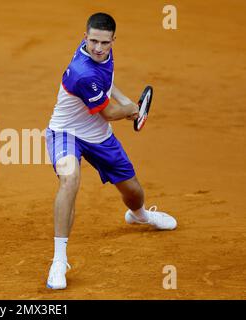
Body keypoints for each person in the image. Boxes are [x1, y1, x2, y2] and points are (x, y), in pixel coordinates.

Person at [45, 12, 177, 290]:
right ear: (85, 37)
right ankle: (59, 260)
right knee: (70, 178)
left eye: (104, 43)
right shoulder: (82, 71)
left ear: (113, 40)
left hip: (99, 137)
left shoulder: (104, 56)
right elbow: (108, 113)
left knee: (133, 192)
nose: (98, 48)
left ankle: (140, 215)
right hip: (66, 132)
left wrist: (124, 98)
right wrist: (129, 109)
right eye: (93, 41)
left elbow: (106, 83)